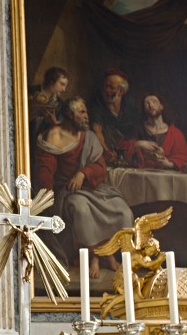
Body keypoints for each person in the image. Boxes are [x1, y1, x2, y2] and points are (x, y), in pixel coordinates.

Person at [35, 97, 134, 277]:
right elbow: (45, 171)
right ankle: (95, 257)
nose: (86, 116)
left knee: (122, 210)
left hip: (93, 188)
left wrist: (83, 173)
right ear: (70, 115)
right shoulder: (54, 136)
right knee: (81, 209)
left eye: (86, 111)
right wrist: (45, 198)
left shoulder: (88, 137)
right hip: (68, 190)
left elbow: (100, 167)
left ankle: (108, 254)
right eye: (81, 112)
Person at [127, 93, 187, 171]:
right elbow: (123, 148)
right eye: (147, 103)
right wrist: (139, 144)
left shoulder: (175, 133)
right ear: (144, 109)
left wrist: (169, 164)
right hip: (142, 174)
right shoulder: (137, 128)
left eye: (154, 102)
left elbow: (185, 158)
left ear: (162, 106)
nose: (151, 105)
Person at [89, 68, 140, 165]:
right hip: (106, 150)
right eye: (105, 86)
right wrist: (105, 151)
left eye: (111, 87)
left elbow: (135, 131)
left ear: (121, 92)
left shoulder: (129, 105)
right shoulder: (96, 104)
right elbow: (97, 130)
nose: (106, 90)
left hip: (128, 152)